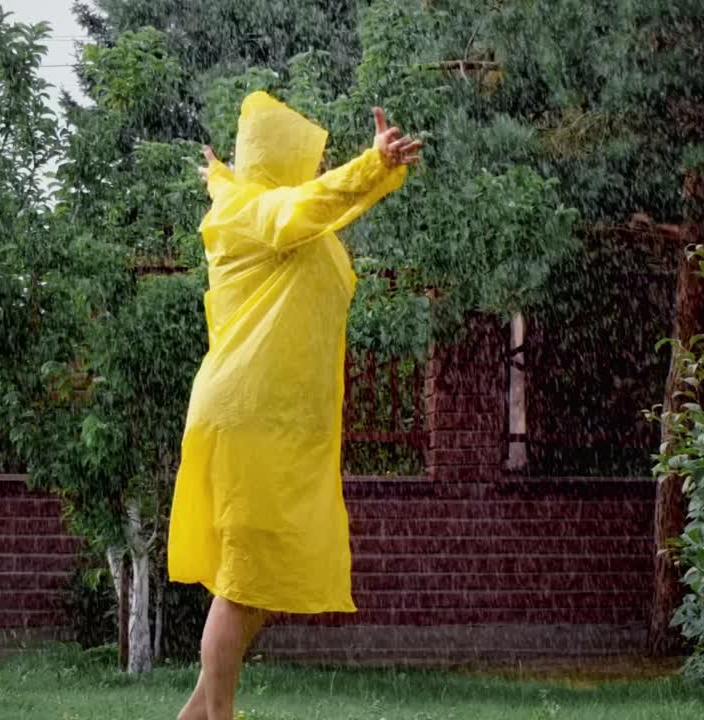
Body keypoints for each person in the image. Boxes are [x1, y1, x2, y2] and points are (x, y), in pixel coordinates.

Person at [168, 91, 422, 720]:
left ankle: (199, 714)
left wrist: (377, 174)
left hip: (274, 420)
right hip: (250, 417)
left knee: (259, 582)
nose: (310, 172)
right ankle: (217, 716)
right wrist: (373, 165)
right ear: (277, 162)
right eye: (301, 160)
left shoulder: (247, 207)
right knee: (242, 582)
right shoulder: (261, 217)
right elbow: (302, 208)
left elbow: (306, 207)